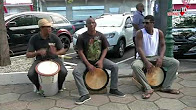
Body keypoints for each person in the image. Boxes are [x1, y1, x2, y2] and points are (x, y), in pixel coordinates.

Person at [73, 17, 125, 105]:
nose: (92, 24)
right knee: (76, 72)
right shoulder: (82, 37)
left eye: (93, 23)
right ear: (86, 25)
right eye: (89, 23)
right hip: (86, 61)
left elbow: (105, 48)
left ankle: (113, 89)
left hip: (99, 59)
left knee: (114, 67)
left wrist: (101, 60)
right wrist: (88, 64)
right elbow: (80, 52)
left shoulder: (100, 35)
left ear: (95, 24)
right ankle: (84, 94)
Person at [131, 15, 180, 99]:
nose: (144, 25)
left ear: (153, 23)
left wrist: (161, 58)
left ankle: (166, 87)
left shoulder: (159, 32)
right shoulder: (140, 33)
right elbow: (139, 48)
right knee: (135, 66)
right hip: (143, 58)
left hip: (155, 56)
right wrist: (146, 62)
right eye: (143, 23)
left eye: (147, 23)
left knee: (175, 63)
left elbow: (163, 45)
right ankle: (148, 88)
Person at [26, 19, 67, 93]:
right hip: (40, 60)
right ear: (41, 28)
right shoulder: (34, 38)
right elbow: (28, 54)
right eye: (47, 27)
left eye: (50, 27)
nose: (50, 29)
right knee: (31, 74)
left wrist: (56, 53)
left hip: (54, 59)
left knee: (63, 72)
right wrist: (38, 52)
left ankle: (59, 87)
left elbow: (63, 50)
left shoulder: (54, 37)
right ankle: (40, 88)